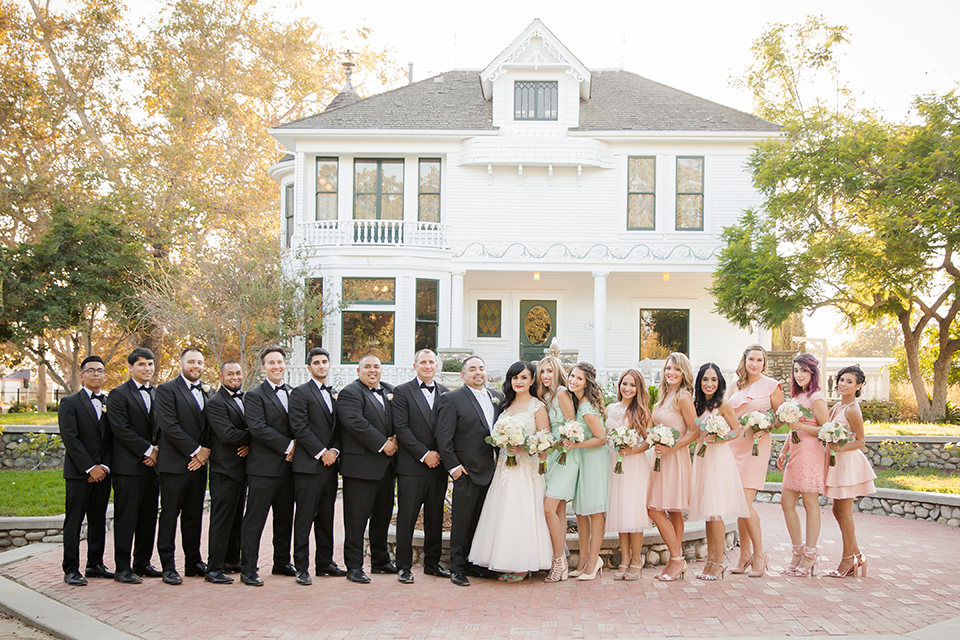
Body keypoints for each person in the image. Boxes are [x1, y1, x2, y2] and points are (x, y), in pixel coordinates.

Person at [468, 361, 553, 581]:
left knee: (523, 513)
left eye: (524, 378)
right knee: (505, 514)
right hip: (505, 467)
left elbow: (545, 440)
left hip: (527, 470)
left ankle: (524, 566)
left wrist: (523, 447)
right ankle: (506, 561)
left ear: (532, 380)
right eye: (515, 378)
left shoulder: (538, 407)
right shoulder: (504, 406)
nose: (519, 382)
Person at [435, 355, 503, 587]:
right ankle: (457, 568)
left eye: (481, 368)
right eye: (472, 369)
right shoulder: (452, 399)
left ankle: (475, 565)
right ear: (463, 375)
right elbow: (443, 438)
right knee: (461, 522)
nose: (478, 372)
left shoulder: (498, 398)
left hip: (493, 472)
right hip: (466, 472)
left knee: (482, 521)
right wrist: (454, 468)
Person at [337, 353, 398, 584]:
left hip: (387, 468)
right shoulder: (350, 393)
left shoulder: (390, 390)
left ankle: (381, 560)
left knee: (383, 517)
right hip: (361, 468)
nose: (373, 370)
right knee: (356, 519)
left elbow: (400, 419)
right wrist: (383, 444)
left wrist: (397, 439)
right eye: (367, 367)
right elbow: (355, 423)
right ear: (358, 370)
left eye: (377, 366)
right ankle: (353, 566)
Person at [392, 349, 451, 584]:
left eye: (431, 362)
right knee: (407, 517)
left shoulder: (446, 393)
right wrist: (424, 454)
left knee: (435, 518)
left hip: (438, 467)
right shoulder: (402, 392)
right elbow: (401, 428)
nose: (428, 366)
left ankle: (432, 563)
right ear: (414, 365)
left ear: (437, 366)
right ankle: (404, 567)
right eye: (423, 362)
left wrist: (440, 456)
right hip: (412, 467)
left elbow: (447, 429)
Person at [239, 345, 297, 586]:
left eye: (280, 362)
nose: (276, 366)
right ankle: (248, 569)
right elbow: (258, 428)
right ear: (263, 368)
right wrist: (289, 446)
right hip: (263, 469)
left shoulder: (294, 393)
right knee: (255, 520)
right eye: (271, 363)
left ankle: (281, 561)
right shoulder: (253, 396)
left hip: (289, 469)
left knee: (284, 519)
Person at [288, 347, 346, 586]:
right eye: (316, 362)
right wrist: (322, 452)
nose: (321, 366)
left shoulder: (334, 394)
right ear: (309, 367)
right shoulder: (300, 393)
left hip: (330, 467)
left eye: (324, 362)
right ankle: (301, 567)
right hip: (308, 467)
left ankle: (325, 562)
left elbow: (339, 428)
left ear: (329, 365)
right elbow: (299, 428)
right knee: (304, 519)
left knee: (326, 517)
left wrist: (334, 451)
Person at [154, 347, 211, 585]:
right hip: (174, 465)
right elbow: (169, 426)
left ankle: (193, 561)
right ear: (181, 364)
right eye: (191, 362)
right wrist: (197, 451)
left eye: (199, 362)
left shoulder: (209, 391)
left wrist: (205, 454)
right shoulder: (166, 390)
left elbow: (210, 427)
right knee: (169, 516)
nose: (195, 366)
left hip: (199, 467)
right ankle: (168, 566)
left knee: (193, 516)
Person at [689, 363, 750, 581]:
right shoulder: (697, 405)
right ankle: (710, 561)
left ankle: (719, 562)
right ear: (700, 382)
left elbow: (737, 430)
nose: (709, 384)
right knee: (708, 513)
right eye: (705, 379)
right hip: (703, 457)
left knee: (715, 511)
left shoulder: (722, 403)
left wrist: (720, 437)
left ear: (719, 382)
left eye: (713, 380)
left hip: (718, 458)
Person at [728, 344, 784, 577]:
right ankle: (744, 555)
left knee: (745, 502)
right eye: (751, 359)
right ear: (745, 360)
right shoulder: (735, 385)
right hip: (733, 446)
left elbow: (782, 417)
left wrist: (767, 427)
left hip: (755, 447)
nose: (755, 364)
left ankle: (760, 554)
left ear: (764, 363)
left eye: (759, 360)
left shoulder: (772, 386)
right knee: (739, 505)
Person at [107, 348, 160, 583]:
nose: (147, 368)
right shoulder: (118, 394)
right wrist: (148, 450)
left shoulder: (159, 393)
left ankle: (142, 562)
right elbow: (121, 430)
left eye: (150, 364)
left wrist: (157, 452)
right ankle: (122, 567)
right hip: (128, 467)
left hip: (154, 466)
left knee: (148, 517)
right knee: (126, 517)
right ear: (130, 367)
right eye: (142, 365)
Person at [60, 355, 113, 586]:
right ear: (82, 375)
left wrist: (104, 467)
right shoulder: (70, 403)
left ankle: (95, 564)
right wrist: (90, 468)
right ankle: (71, 569)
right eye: (91, 370)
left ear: (105, 375)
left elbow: (113, 439)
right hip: (79, 474)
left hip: (104, 473)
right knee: (74, 522)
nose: (96, 374)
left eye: (100, 371)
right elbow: (70, 439)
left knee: (98, 520)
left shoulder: (110, 402)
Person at [647, 353, 699, 581]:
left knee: (655, 510)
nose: (671, 372)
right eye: (668, 368)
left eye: (676, 369)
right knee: (673, 510)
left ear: (684, 373)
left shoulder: (684, 397)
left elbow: (696, 431)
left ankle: (677, 559)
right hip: (659, 457)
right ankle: (675, 561)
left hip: (674, 457)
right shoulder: (663, 395)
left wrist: (672, 447)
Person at [778, 353, 829, 577]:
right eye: (796, 371)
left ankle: (810, 555)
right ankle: (797, 551)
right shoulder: (797, 396)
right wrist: (784, 450)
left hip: (811, 452)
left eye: (803, 371)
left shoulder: (816, 397)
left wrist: (802, 426)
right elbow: (792, 428)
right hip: (796, 452)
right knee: (786, 501)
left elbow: (826, 429)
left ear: (812, 372)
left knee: (810, 503)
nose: (799, 375)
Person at [823, 365, 876, 578]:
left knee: (844, 512)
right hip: (837, 462)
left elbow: (861, 441)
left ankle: (847, 561)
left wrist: (840, 447)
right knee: (837, 511)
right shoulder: (837, 407)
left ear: (858, 386)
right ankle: (858, 555)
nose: (843, 384)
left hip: (848, 464)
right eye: (841, 380)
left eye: (849, 381)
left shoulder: (853, 409)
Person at [204, 361, 251, 584]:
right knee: (221, 520)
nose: (234, 377)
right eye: (230, 374)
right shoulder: (215, 402)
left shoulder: (245, 398)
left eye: (238, 373)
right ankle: (214, 567)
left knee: (236, 518)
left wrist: (250, 441)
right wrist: (253, 438)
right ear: (220, 377)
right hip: (224, 470)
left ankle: (232, 559)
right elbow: (227, 434)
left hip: (241, 470)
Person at [604, 369, 652, 582]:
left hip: (634, 464)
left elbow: (648, 440)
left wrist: (632, 450)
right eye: (625, 383)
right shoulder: (610, 409)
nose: (627, 388)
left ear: (638, 388)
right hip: (616, 463)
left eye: (632, 385)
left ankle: (636, 560)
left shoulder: (642, 411)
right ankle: (624, 559)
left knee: (633, 511)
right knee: (621, 511)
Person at [565, 362, 609, 581]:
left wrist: (575, 445)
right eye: (572, 376)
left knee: (595, 511)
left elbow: (601, 438)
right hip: (583, 459)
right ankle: (583, 560)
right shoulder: (578, 402)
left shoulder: (586, 407)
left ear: (587, 382)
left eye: (579, 378)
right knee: (581, 512)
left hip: (594, 460)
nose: (573, 380)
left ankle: (594, 560)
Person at [537, 356, 577, 583]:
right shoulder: (546, 396)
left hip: (566, 456)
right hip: (552, 456)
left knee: (549, 508)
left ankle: (558, 560)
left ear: (557, 372)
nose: (545, 376)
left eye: (549, 371)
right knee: (559, 510)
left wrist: (553, 444)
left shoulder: (561, 392)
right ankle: (561, 562)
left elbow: (571, 425)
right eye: (542, 371)